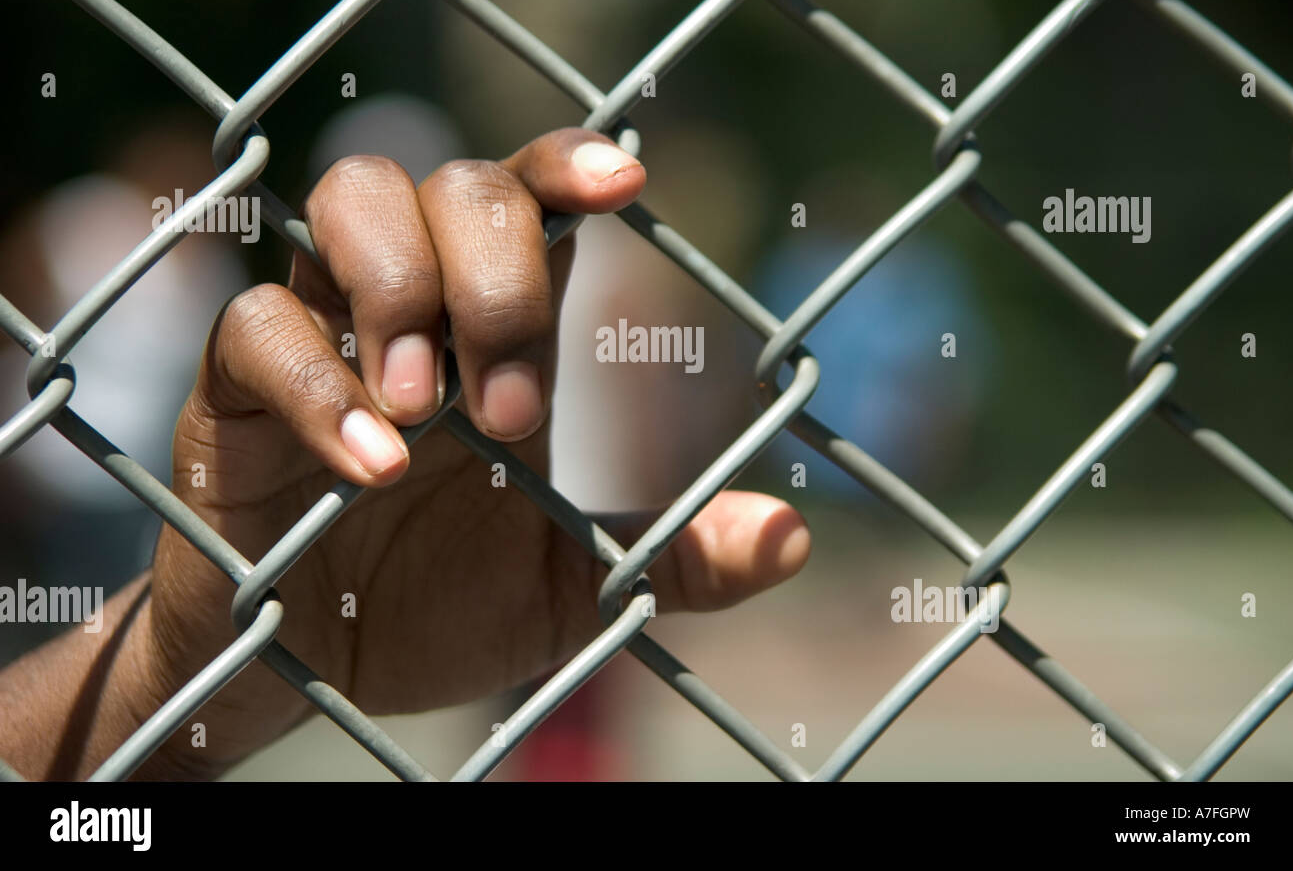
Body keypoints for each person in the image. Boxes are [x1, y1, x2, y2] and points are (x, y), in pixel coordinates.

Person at [0, 128, 811, 780]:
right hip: (97, 484)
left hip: (552, 521)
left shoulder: (567, 257)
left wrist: (157, 697)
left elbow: (646, 399)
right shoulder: (86, 222)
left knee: (563, 728)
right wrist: (164, 688)